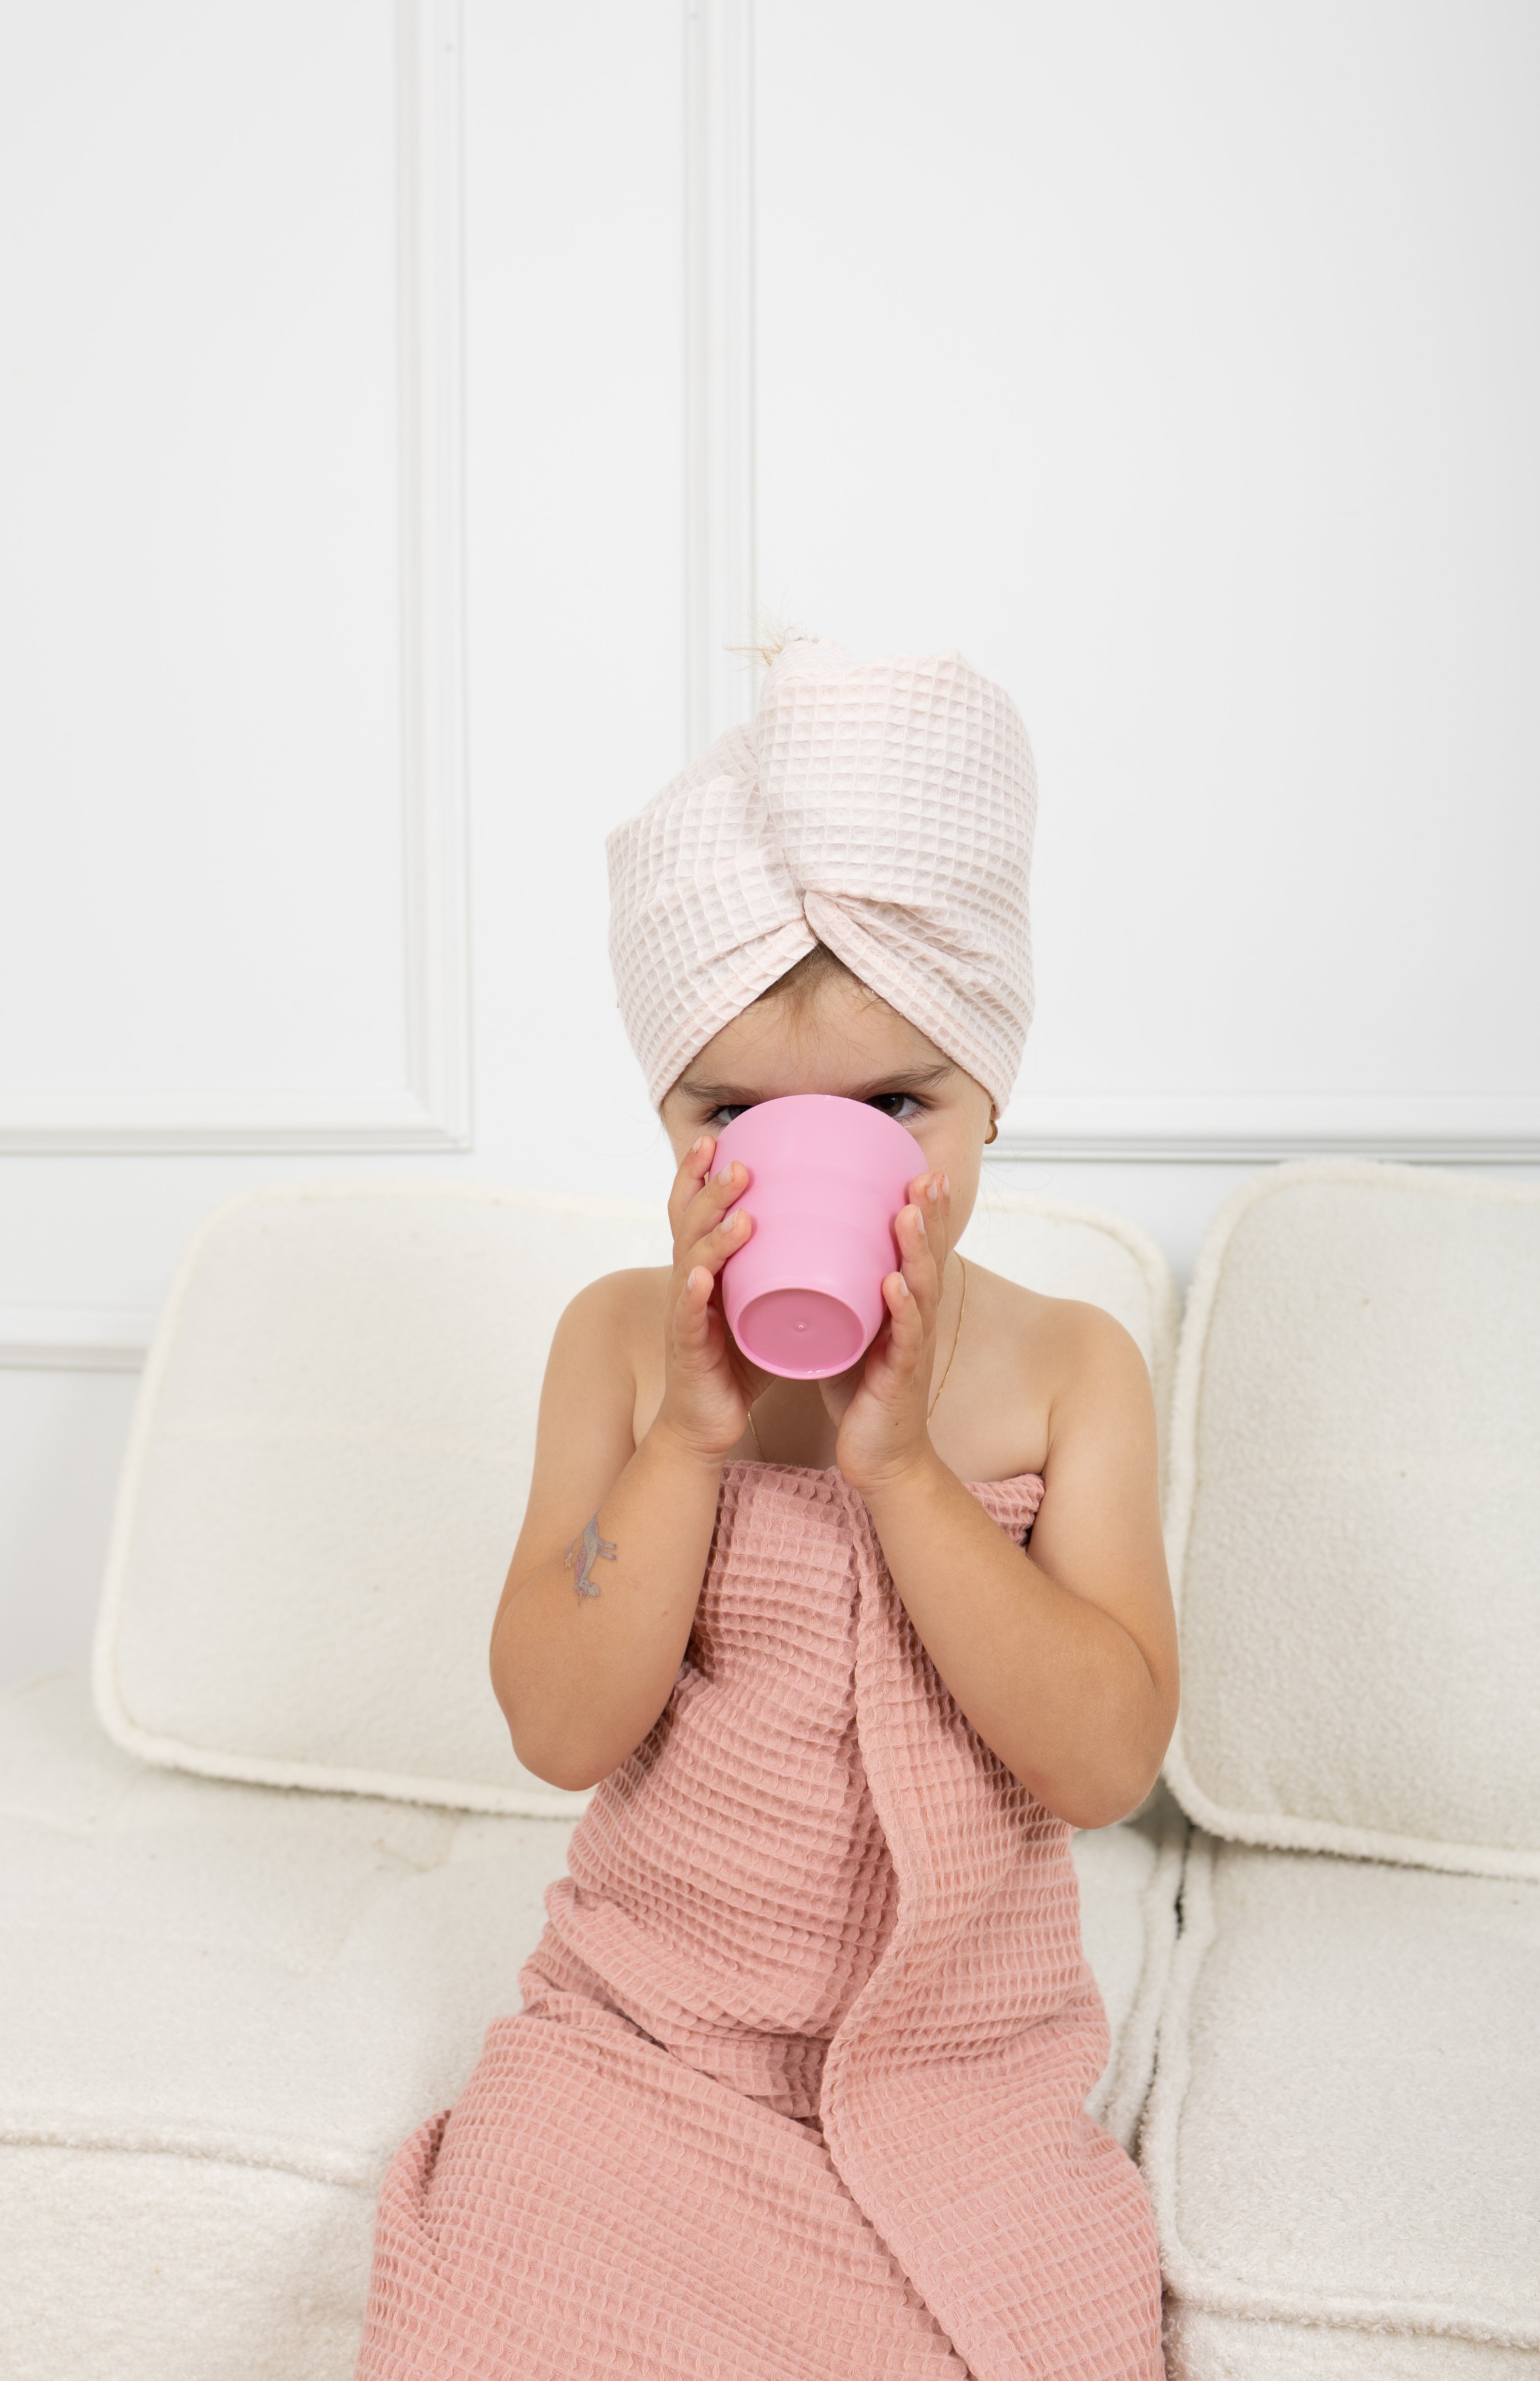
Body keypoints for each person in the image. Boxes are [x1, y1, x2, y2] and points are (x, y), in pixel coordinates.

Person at [355, 639, 1177, 2379]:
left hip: (963, 2069)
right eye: (735, 1112)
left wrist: (901, 1474)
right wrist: (687, 1446)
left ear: (991, 1102)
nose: (822, 1153)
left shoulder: (1070, 1373)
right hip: (645, 2051)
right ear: (668, 1120)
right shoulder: (618, 1354)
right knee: (494, 2306)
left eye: (895, 1107)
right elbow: (558, 1726)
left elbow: (1105, 1765)